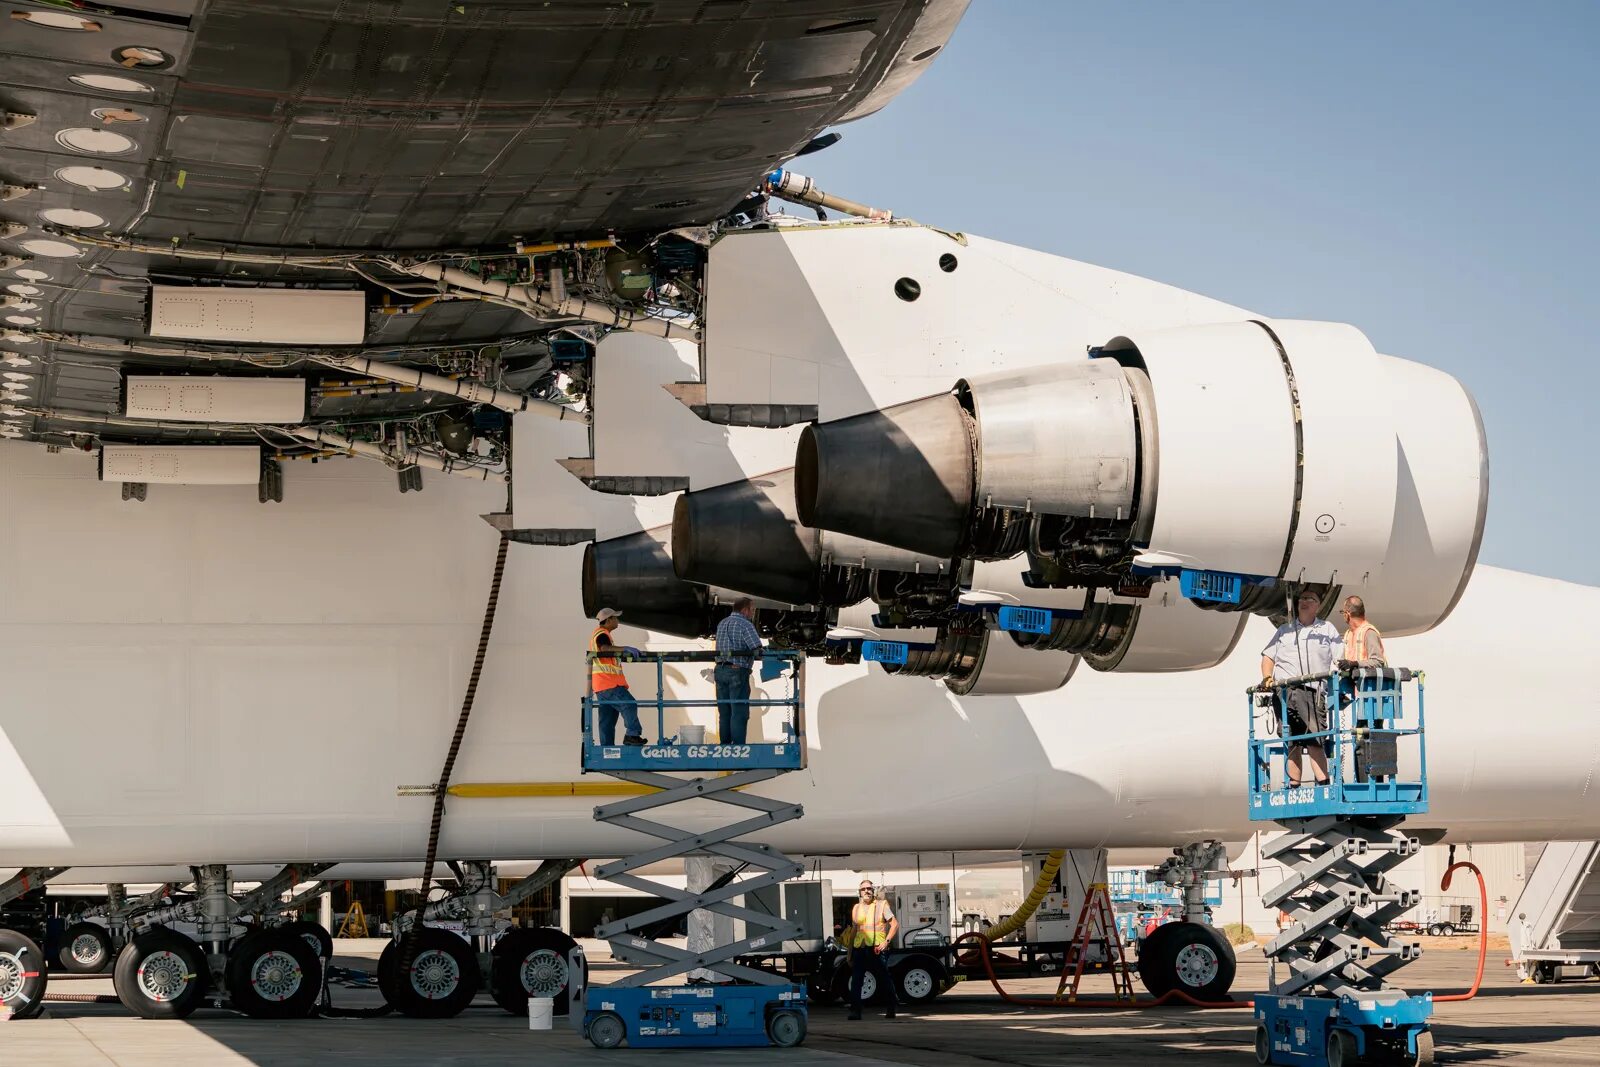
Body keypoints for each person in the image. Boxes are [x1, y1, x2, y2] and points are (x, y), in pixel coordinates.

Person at [1259, 589, 1341, 786]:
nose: (1304, 602)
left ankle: (1323, 784)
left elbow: (1340, 658)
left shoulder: (1326, 629)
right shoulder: (1284, 630)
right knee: (1291, 741)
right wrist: (1267, 677)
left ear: (1318, 605)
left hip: (1312, 691)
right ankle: (1294, 784)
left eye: (1310, 599)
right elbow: (1268, 656)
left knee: (1314, 738)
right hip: (1284, 692)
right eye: (1302, 598)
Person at [842, 879, 900, 1020]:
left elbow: (895, 925)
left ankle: (891, 1007)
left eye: (869, 888)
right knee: (856, 981)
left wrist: (886, 942)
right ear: (860, 892)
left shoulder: (881, 905)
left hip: (876, 949)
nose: (867, 891)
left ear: (872, 891)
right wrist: (849, 954)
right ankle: (855, 1011)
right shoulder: (856, 908)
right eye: (863, 889)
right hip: (859, 949)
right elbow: (854, 932)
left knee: (884, 979)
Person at [589, 607, 646, 746]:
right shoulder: (602, 634)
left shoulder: (601, 634)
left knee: (607, 720)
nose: (617, 620)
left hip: (601, 686)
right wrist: (625, 648)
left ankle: (606, 749)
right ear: (608, 620)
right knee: (629, 704)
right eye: (615, 618)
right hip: (609, 684)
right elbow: (604, 649)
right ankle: (632, 735)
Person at [713, 598, 763, 744]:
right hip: (737, 670)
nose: (753, 613)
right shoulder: (745, 624)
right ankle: (738, 747)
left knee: (724, 712)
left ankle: (725, 745)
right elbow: (756, 649)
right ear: (745, 610)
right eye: (752, 610)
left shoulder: (722, 623)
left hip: (720, 670)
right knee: (739, 712)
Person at [1339, 596, 1387, 668]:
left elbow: (1378, 662)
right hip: (1352, 678)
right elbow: (1347, 661)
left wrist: (1355, 664)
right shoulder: (1348, 634)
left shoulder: (1369, 632)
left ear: (1348, 614)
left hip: (1368, 678)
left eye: (1342, 612)